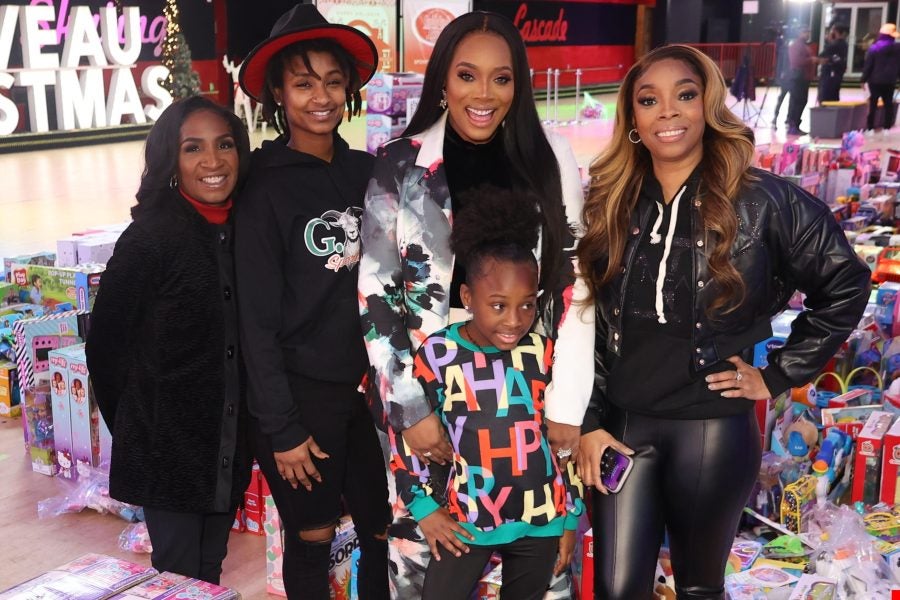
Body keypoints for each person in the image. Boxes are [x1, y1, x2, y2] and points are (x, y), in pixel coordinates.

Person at [576, 44, 870, 600]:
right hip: (623, 429)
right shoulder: (611, 202)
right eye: (649, 100)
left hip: (711, 432)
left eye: (685, 95)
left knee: (698, 589)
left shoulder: (763, 200)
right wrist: (589, 421)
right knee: (615, 589)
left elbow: (846, 283)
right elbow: (586, 322)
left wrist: (778, 374)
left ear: (707, 105)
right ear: (632, 118)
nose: (668, 111)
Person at [357, 10, 594, 594]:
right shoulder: (400, 163)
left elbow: (575, 282)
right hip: (433, 390)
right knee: (424, 564)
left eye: (501, 78)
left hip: (528, 394)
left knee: (543, 572)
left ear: (519, 85)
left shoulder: (549, 156)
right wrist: (410, 409)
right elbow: (377, 293)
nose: (483, 93)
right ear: (443, 78)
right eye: (467, 75)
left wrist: (566, 402)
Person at [234, 5, 390, 599]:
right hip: (300, 401)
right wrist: (281, 428)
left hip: (367, 395)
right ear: (279, 92)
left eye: (332, 81)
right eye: (303, 84)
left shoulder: (368, 172)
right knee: (313, 539)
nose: (320, 97)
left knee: (382, 529)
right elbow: (255, 322)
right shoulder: (262, 187)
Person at [86, 96, 253, 584]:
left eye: (224, 145)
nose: (213, 161)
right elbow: (105, 349)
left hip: (228, 445)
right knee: (179, 579)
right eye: (192, 148)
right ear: (171, 161)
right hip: (169, 452)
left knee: (210, 571)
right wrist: (143, 430)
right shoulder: (149, 240)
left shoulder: (248, 230)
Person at [391, 188, 584, 599]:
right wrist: (425, 509)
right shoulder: (438, 354)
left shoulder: (545, 352)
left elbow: (564, 443)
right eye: (498, 305)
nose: (515, 320)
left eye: (527, 305)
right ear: (468, 297)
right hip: (466, 521)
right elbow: (407, 436)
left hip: (542, 521)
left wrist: (570, 518)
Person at [861, 23, 900, 133]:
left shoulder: (874, 48)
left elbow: (869, 65)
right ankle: (887, 128)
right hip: (890, 80)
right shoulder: (898, 48)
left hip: (875, 80)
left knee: (873, 104)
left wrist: (863, 79)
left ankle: (870, 128)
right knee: (888, 104)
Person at [785, 25, 824, 135]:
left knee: (801, 101)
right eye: (805, 32)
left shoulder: (804, 46)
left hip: (804, 78)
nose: (807, 34)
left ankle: (795, 125)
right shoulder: (796, 45)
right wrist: (811, 60)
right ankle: (793, 126)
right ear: (799, 33)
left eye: (808, 32)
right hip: (798, 78)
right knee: (798, 101)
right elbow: (796, 61)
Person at [818, 23, 849, 104]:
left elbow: (822, 56)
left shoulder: (835, 45)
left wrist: (828, 58)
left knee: (826, 96)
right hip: (836, 74)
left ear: (835, 32)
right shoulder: (843, 44)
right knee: (834, 95)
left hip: (830, 75)